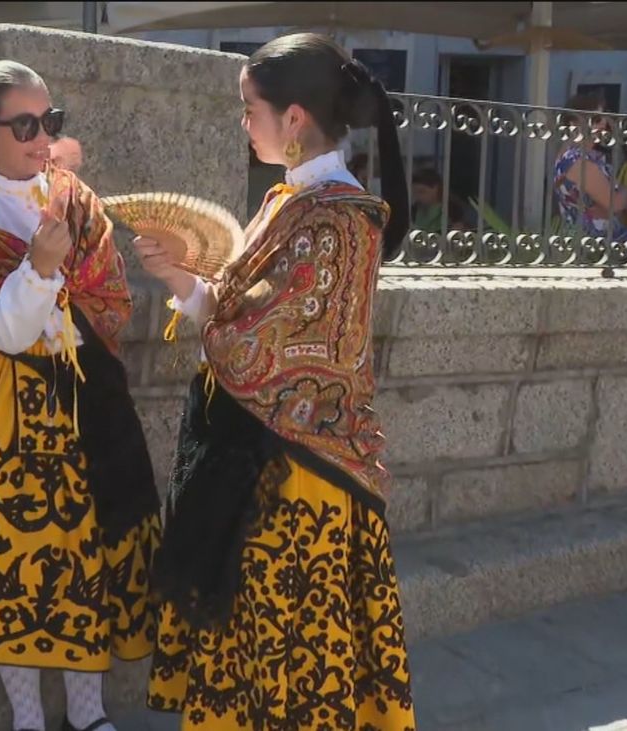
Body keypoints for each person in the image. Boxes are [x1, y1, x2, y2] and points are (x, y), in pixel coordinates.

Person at [134, 33, 416, 731]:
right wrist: (178, 276)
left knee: (292, 657)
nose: (244, 123)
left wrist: (213, 317)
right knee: (254, 651)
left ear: (294, 119)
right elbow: (241, 309)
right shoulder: (292, 202)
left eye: (250, 108)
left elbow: (255, 346)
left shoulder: (338, 222)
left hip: (301, 476)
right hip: (263, 460)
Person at [0, 60, 161, 731]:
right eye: (25, 124)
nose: (43, 136)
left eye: (52, 120)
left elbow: (111, 302)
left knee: (88, 560)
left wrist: (58, 277)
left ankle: (89, 714)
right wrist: (42, 268)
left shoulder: (78, 200)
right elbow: (8, 334)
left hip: (87, 401)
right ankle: (28, 719)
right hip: (1, 414)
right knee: (8, 564)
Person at [553, 92, 627, 241]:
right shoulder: (578, 162)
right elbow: (615, 204)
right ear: (574, 123)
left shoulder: (573, 155)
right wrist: (625, 190)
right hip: (598, 241)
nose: (603, 123)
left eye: (605, 117)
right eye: (596, 119)